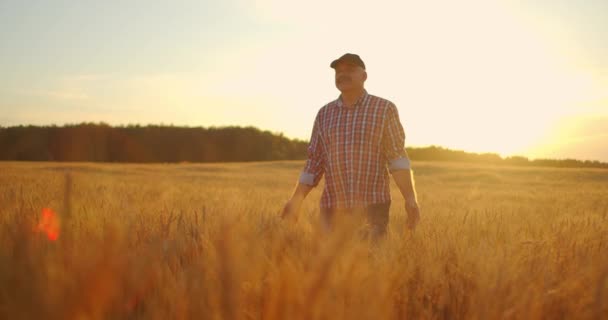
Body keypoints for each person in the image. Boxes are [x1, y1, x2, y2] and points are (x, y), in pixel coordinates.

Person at [281, 53, 420, 238]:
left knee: (371, 264)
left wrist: (410, 199)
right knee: (331, 266)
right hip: (332, 209)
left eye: (350, 69)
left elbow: (397, 158)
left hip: (373, 208)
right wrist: (296, 200)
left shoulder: (384, 109)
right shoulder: (324, 114)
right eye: (338, 71)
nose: (342, 74)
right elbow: (314, 162)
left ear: (364, 76)